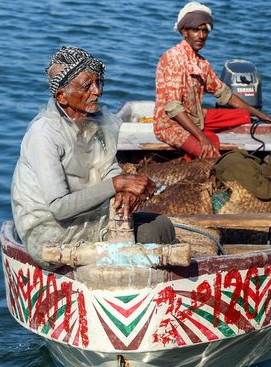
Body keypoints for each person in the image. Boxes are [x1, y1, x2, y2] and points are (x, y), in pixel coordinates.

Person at [11, 46, 175, 268]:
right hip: (49, 233)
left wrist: (124, 190)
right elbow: (59, 207)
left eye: (97, 83)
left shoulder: (93, 121)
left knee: (163, 225)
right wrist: (118, 184)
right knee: (150, 233)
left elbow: (107, 166)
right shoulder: (44, 134)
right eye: (87, 86)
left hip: (83, 220)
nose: (97, 91)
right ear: (62, 96)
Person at [153, 1, 271, 160]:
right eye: (196, 30)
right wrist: (202, 137)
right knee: (210, 150)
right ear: (184, 31)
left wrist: (264, 116)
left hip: (196, 117)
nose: (201, 36)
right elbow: (173, 108)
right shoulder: (173, 59)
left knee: (244, 116)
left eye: (204, 31)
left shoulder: (201, 63)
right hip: (171, 125)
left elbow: (225, 95)